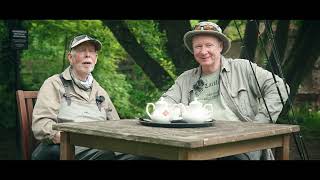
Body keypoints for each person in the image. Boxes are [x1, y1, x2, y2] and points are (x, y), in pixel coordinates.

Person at [160, 21, 289, 160]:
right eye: (198, 46)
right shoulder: (185, 79)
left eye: (209, 45)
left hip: (239, 144)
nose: (203, 51)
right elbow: (164, 104)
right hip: (194, 144)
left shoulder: (243, 68)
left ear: (220, 46)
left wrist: (259, 125)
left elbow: (279, 87)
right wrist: (168, 112)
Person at [31, 34, 139, 160]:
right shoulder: (54, 84)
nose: (88, 55)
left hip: (100, 147)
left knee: (139, 156)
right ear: (70, 58)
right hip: (67, 147)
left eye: (92, 51)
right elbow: (41, 125)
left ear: (96, 58)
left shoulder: (100, 91)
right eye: (82, 50)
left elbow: (116, 125)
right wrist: (68, 138)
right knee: (104, 156)